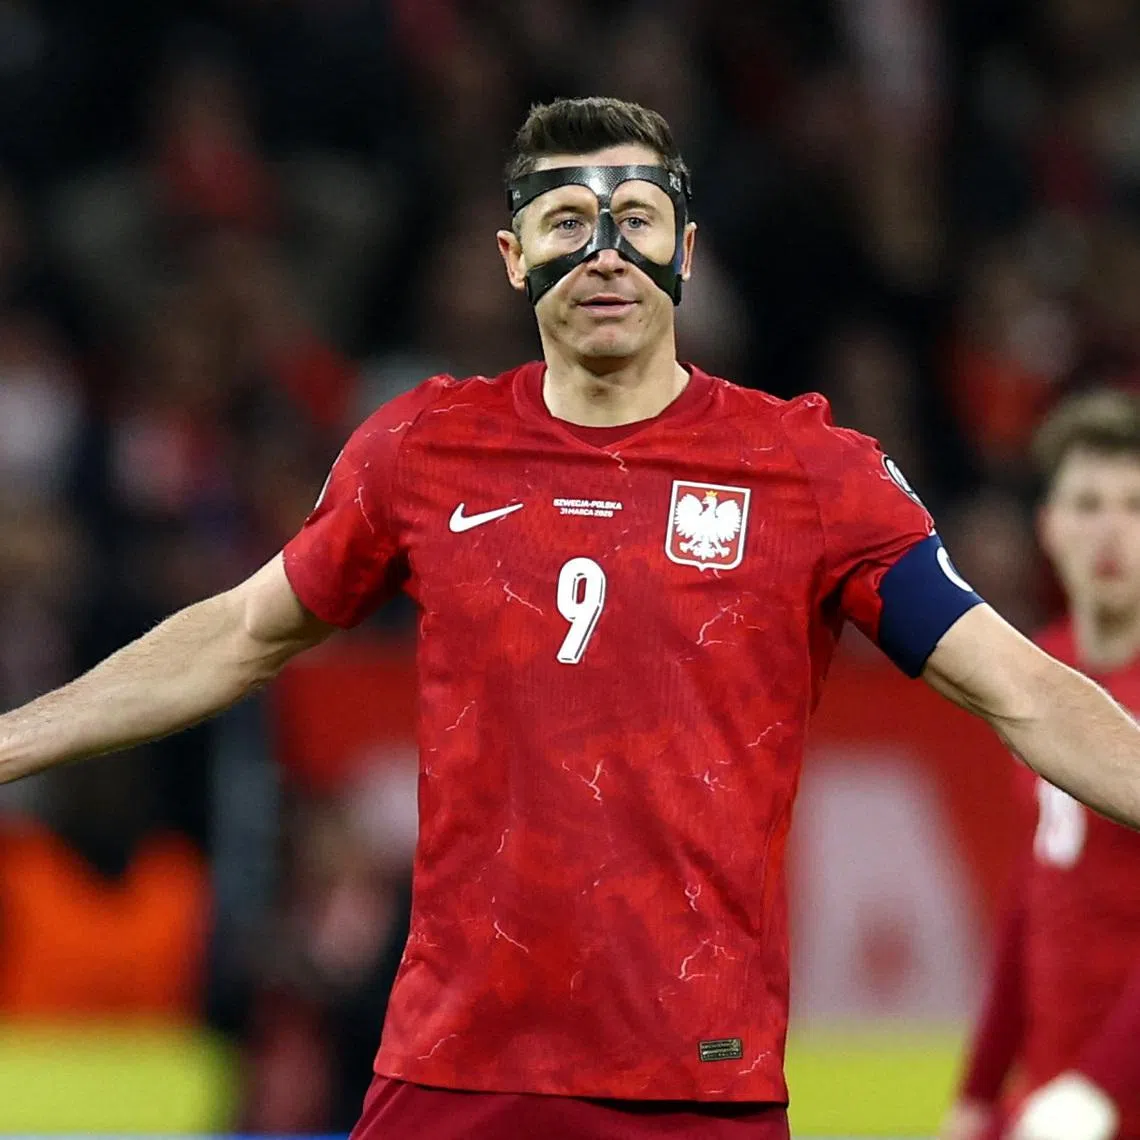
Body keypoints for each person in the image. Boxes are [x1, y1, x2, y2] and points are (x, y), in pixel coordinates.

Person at [2, 97, 1140, 1140]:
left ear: (686, 252)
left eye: (637, 217)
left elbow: (1019, 687)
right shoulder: (420, 450)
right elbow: (242, 633)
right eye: (565, 220)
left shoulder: (808, 472)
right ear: (512, 257)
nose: (605, 252)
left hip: (699, 1081)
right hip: (452, 1070)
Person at [941, 390, 1140, 1140]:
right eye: (1088, 503)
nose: (1111, 529)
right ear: (1049, 527)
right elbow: (1033, 897)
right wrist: (979, 1094)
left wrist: (1102, 1086)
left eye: (1134, 503)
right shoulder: (1039, 675)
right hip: (1059, 1106)